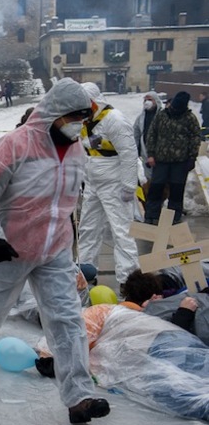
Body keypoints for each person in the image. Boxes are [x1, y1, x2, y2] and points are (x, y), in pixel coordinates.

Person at [0, 77, 110, 424]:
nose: (79, 125)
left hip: (54, 250)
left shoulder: (76, 151)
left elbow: (69, 202)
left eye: (83, 118)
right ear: (55, 113)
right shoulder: (14, 145)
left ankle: (79, 396)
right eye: (74, 117)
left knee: (68, 319)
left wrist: (70, 246)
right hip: (9, 249)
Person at [37, 270, 209, 422]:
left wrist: (50, 360)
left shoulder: (105, 312)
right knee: (189, 377)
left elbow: (67, 341)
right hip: (171, 342)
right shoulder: (144, 312)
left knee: (174, 387)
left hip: (156, 345)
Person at [77, 82, 140, 292]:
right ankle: (86, 272)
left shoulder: (115, 120)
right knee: (88, 228)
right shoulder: (85, 122)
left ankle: (128, 280)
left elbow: (130, 154)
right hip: (93, 182)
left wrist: (129, 186)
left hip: (115, 183)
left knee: (121, 231)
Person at [144, 91, 202, 225]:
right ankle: (151, 215)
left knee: (176, 190)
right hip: (160, 161)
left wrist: (192, 158)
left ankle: (174, 217)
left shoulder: (190, 118)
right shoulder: (161, 116)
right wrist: (151, 155)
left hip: (180, 162)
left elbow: (195, 138)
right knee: (156, 189)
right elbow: (152, 135)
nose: (174, 109)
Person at [133, 92, 164, 183]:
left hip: (161, 153)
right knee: (149, 176)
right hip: (145, 151)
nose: (147, 102)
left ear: (156, 101)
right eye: (145, 100)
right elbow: (136, 133)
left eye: (150, 100)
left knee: (160, 177)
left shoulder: (163, 116)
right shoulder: (140, 118)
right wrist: (136, 149)